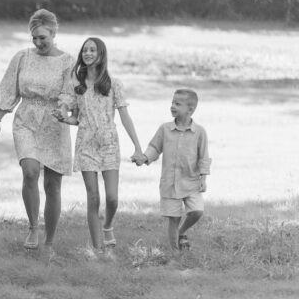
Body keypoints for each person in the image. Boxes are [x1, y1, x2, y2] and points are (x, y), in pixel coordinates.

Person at [0, 9, 74, 261]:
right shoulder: (22, 58)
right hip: (26, 119)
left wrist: (63, 109)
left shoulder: (68, 62)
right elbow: (8, 90)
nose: (38, 43)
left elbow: (70, 93)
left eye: (43, 38)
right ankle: (32, 227)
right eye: (34, 38)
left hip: (54, 122)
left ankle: (49, 241)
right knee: (30, 170)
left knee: (53, 184)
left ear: (53, 33)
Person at [54, 37, 144, 259]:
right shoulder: (78, 84)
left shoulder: (113, 83)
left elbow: (125, 117)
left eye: (92, 50)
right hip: (86, 144)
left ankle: (108, 226)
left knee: (112, 198)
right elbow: (76, 119)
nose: (88, 53)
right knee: (93, 197)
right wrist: (64, 118)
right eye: (85, 50)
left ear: (101, 54)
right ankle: (98, 249)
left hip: (109, 144)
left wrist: (138, 147)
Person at [134, 89, 211, 253]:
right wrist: (145, 158)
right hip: (169, 183)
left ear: (190, 110)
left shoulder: (200, 132)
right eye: (172, 102)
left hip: (191, 182)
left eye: (177, 104)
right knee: (173, 219)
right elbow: (155, 147)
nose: (172, 106)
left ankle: (182, 232)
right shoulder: (165, 129)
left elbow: (204, 157)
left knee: (197, 211)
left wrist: (203, 179)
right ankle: (175, 254)